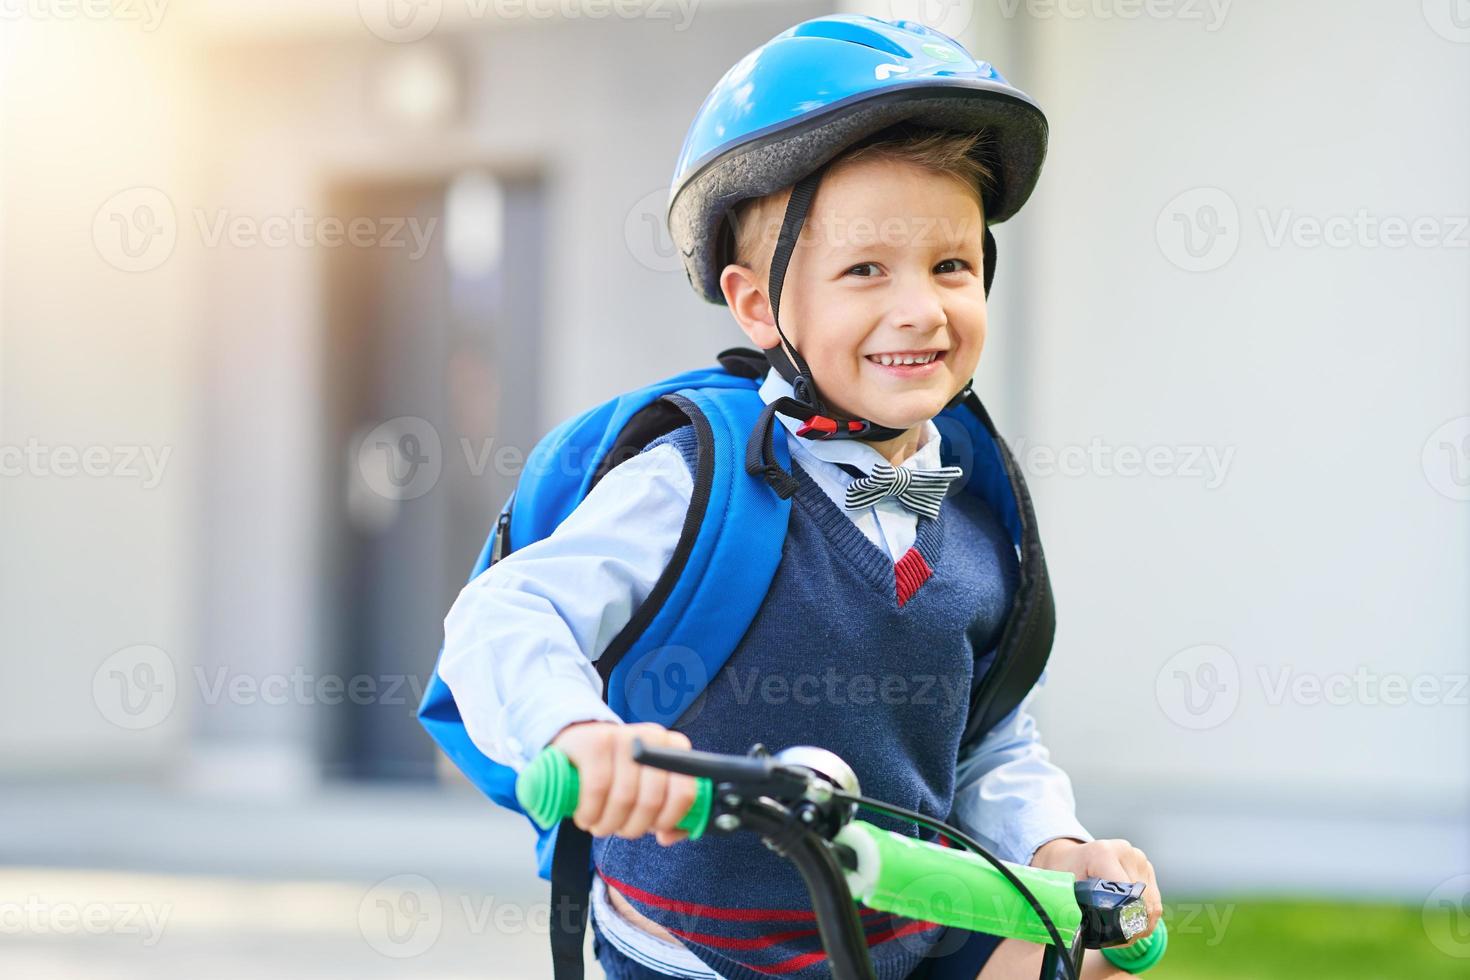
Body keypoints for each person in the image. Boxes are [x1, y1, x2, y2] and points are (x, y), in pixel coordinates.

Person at [438, 14, 1162, 980]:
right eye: (865, 269)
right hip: (697, 953)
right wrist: (581, 735)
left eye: (950, 264)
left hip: (904, 937)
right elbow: (507, 614)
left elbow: (987, 739)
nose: (920, 306)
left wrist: (1056, 848)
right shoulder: (696, 483)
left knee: (1090, 952)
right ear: (757, 304)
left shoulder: (974, 513)